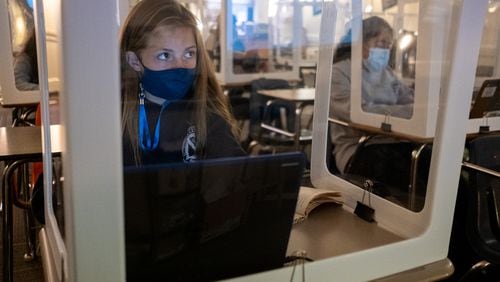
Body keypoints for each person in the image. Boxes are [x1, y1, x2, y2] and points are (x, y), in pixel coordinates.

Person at [120, 0, 246, 166]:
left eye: (188, 54)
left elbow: (237, 176)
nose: (180, 67)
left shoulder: (208, 113)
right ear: (134, 61)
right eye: (165, 55)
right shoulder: (113, 114)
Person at [329, 16, 425, 194]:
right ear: (362, 42)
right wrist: (407, 112)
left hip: (395, 143)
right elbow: (359, 112)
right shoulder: (339, 72)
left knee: (433, 163)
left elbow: (411, 101)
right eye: (381, 44)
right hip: (359, 149)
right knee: (410, 181)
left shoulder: (386, 72)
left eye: (388, 46)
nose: (385, 50)